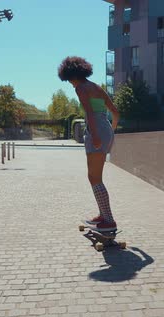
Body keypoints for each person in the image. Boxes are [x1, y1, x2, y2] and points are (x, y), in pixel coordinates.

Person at [58, 56, 120, 232]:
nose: (70, 84)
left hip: (96, 132)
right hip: (106, 129)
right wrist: (110, 133)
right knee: (95, 176)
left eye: (69, 80)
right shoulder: (96, 87)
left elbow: (90, 113)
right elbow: (115, 113)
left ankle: (109, 220)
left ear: (72, 75)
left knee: (94, 177)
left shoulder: (81, 88)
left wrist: (96, 136)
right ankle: (103, 215)